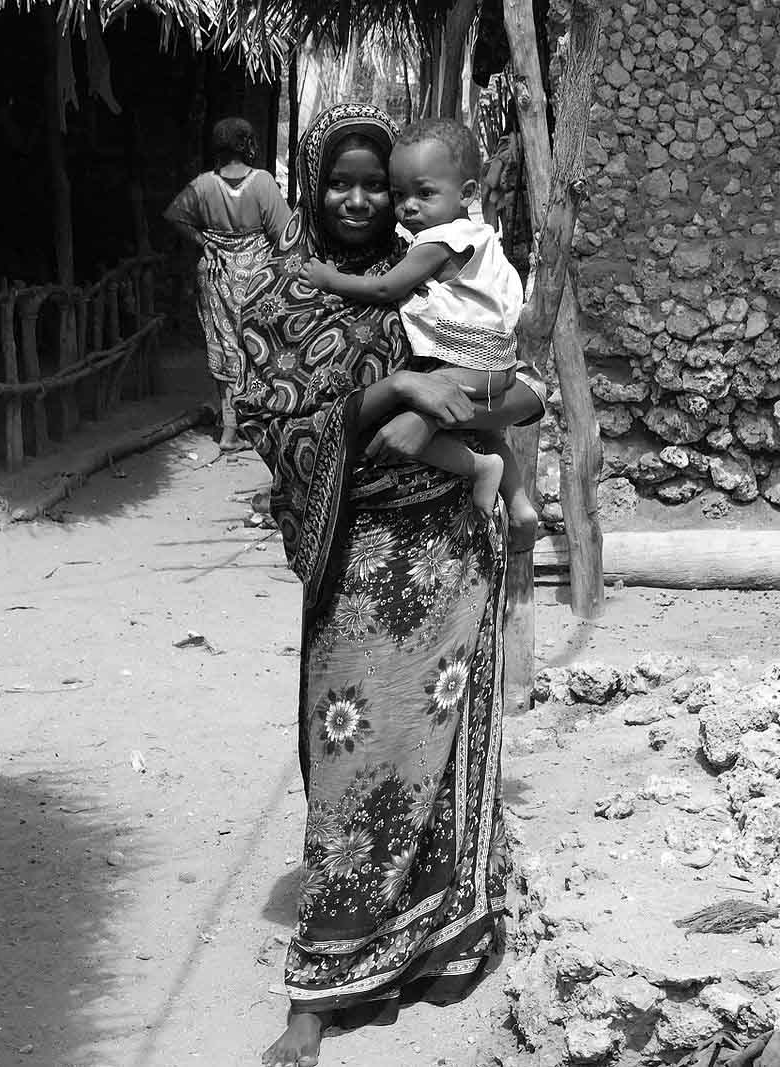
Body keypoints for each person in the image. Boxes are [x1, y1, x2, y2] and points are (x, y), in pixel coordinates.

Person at [233, 103, 545, 1067]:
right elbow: (279, 433)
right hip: (359, 563)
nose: (365, 198)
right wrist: (398, 395)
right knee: (352, 764)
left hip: (453, 548)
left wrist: (450, 407)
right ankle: (319, 987)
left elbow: (522, 389)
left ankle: (436, 939)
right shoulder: (285, 298)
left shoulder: (437, 284)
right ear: (313, 187)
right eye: (345, 181)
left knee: (443, 750)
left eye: (384, 182)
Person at [300, 117, 536, 537]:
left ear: (465, 193)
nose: (407, 206)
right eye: (398, 194)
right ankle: (518, 502)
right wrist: (397, 387)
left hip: (459, 535)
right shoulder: (479, 238)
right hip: (362, 546)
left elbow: (533, 391)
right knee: (492, 436)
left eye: (422, 194)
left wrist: (426, 418)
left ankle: (482, 469)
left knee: (450, 425)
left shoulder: (432, 246)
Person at [164, 117, 290, 449]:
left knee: (224, 347)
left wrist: (203, 240)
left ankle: (229, 431)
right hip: (256, 279)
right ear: (247, 145)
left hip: (215, 274)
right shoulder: (263, 183)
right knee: (259, 348)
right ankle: (258, 425)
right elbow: (286, 235)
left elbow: (174, 215)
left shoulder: (203, 185)